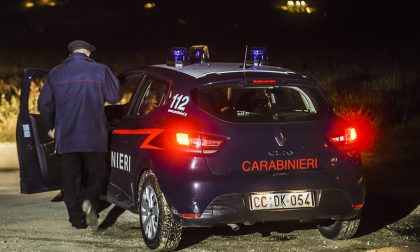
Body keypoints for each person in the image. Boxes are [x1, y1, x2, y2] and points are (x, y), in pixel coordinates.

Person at [38, 40, 122, 229]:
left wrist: (50, 126)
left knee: (71, 179)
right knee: (98, 173)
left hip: (66, 136)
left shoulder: (56, 73)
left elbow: (44, 104)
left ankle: (77, 219)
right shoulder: (101, 70)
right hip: (93, 135)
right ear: (88, 54)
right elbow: (115, 97)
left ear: (71, 54)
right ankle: (91, 200)